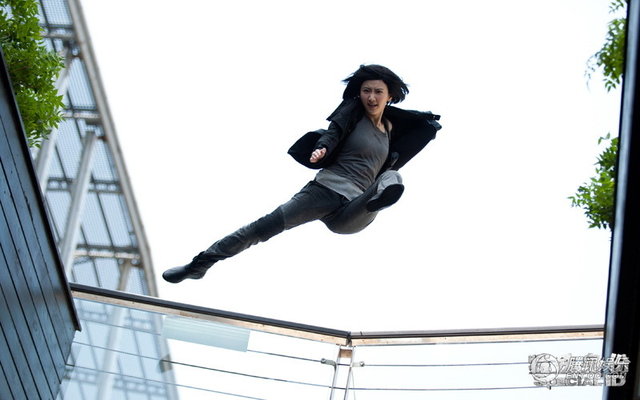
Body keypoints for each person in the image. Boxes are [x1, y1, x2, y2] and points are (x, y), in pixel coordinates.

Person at [162, 64, 441, 283]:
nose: (371, 97)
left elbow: (411, 138)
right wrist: (321, 148)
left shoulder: (390, 129)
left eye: (378, 92)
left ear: (389, 96)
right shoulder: (353, 114)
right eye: (366, 90)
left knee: (391, 176)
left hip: (354, 209)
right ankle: (200, 264)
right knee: (261, 228)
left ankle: (381, 199)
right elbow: (333, 132)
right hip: (323, 193)